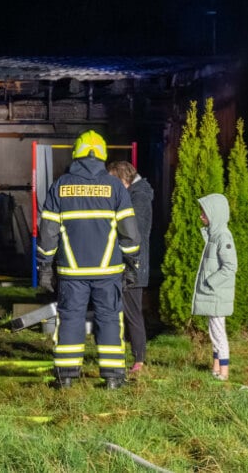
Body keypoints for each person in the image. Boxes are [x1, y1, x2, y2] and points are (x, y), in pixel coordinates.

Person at [36, 130, 141, 389]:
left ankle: (66, 378)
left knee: (70, 318)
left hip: (72, 271)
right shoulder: (115, 187)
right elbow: (130, 232)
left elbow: (48, 233)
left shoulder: (60, 186)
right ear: (102, 155)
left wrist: (46, 266)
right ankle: (114, 378)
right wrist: (132, 263)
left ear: (77, 155)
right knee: (109, 318)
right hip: (108, 271)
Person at [106, 160, 154, 375]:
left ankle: (139, 359)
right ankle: (125, 354)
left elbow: (135, 230)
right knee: (123, 311)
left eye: (113, 180)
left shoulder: (139, 197)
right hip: (128, 262)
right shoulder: (134, 195)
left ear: (123, 179)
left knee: (132, 311)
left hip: (133, 264)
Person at [192, 193, 237, 381]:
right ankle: (216, 367)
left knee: (218, 333)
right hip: (214, 294)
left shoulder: (222, 237)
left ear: (216, 214)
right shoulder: (213, 236)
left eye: (205, 212)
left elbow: (230, 266)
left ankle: (224, 373)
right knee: (214, 332)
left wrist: (211, 282)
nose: (201, 215)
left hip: (216, 293)